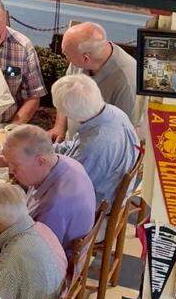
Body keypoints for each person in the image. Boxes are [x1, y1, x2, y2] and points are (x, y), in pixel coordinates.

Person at [0, 125, 96, 250]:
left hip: (45, 254)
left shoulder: (53, 206)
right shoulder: (63, 162)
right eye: (9, 163)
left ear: (40, 161)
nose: (10, 170)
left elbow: (35, 254)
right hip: (35, 237)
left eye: (15, 165)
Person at [51, 74, 139, 208]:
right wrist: (48, 149)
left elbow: (66, 189)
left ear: (70, 114)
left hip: (98, 203)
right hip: (110, 185)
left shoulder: (92, 146)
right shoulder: (113, 113)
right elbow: (75, 146)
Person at [50, 22, 138, 141]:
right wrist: (59, 127)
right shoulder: (79, 57)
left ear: (85, 58)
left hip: (100, 147)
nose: (66, 58)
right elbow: (65, 96)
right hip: (72, 143)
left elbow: (124, 131)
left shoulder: (127, 80)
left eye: (66, 55)